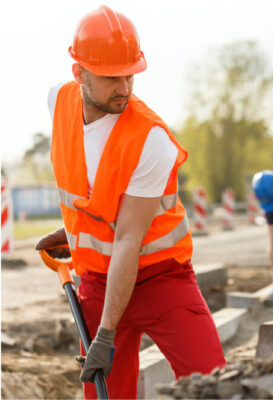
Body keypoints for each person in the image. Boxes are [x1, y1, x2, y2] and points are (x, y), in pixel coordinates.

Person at [35, 6, 225, 399]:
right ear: (79, 73)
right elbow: (92, 194)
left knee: (214, 383)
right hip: (100, 281)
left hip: (162, 280)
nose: (124, 86)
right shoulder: (59, 104)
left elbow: (127, 239)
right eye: (110, 77)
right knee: (108, 394)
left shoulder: (150, 139)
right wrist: (73, 233)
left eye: (130, 74)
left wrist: (104, 336)